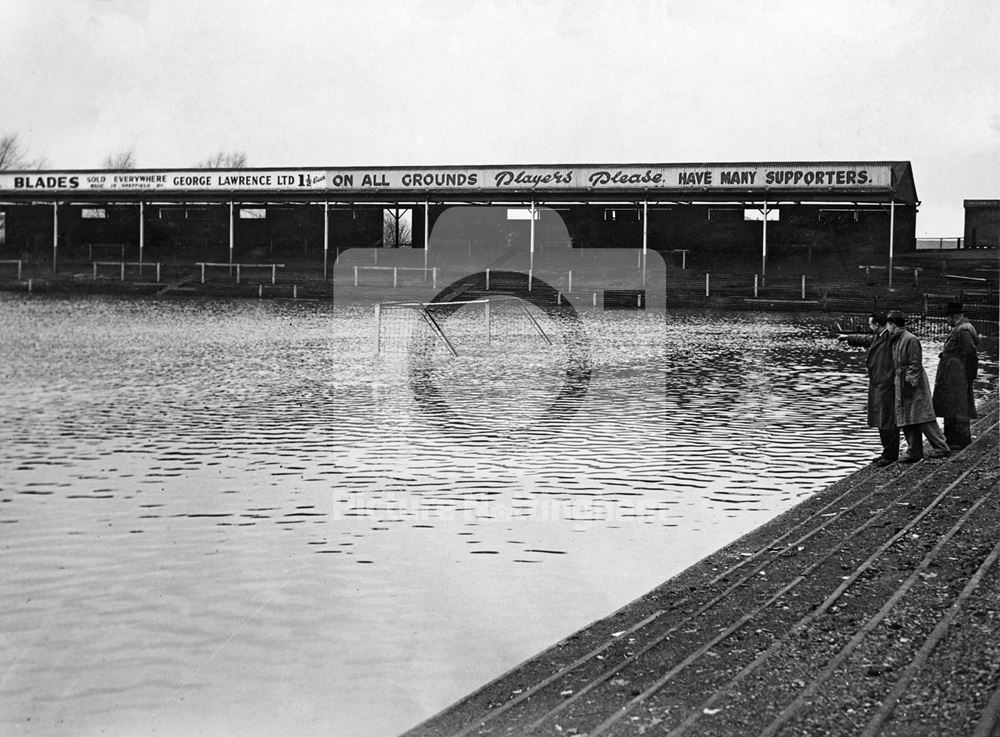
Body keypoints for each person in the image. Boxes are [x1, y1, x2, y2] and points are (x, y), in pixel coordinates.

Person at [885, 310, 950, 462]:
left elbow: (915, 363)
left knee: (923, 415)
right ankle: (914, 451)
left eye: (888, 325)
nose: (887, 328)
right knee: (907, 417)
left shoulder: (910, 339)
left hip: (913, 383)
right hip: (902, 380)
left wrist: (909, 382)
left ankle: (941, 447)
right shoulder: (896, 338)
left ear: (892, 325)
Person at [837, 312, 899, 466]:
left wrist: (887, 378)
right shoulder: (880, 336)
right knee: (880, 418)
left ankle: (891, 454)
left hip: (885, 384)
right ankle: (886, 451)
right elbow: (867, 339)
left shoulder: (890, 337)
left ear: (877, 325)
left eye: (871, 324)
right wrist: (848, 337)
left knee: (888, 419)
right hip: (878, 383)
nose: (870, 327)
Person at [933, 302, 979, 449]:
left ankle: (960, 440)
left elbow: (970, 354)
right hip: (952, 373)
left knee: (959, 406)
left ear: (954, 317)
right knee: (951, 405)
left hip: (957, 374)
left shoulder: (963, 330)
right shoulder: (961, 328)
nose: (947, 321)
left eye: (947, 318)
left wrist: (969, 376)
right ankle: (952, 439)